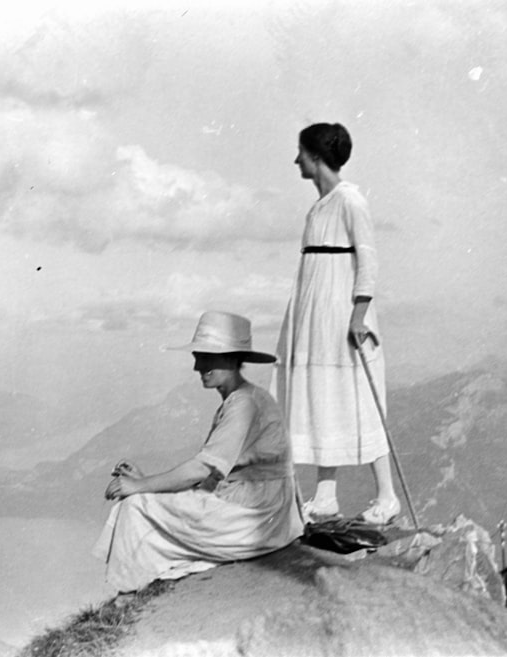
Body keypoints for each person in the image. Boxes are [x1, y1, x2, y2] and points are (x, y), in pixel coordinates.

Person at [92, 311, 303, 594]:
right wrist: (147, 485)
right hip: (266, 511)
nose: (197, 366)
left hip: (256, 517)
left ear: (231, 357)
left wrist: (141, 486)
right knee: (144, 499)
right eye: (198, 356)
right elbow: (213, 471)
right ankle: (133, 586)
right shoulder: (244, 398)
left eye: (206, 356)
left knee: (134, 505)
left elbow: (202, 470)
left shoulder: (244, 405)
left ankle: (127, 593)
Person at [273, 122, 400, 525]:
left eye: (300, 153)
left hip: (341, 316)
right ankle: (325, 495)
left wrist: (359, 316)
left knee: (357, 397)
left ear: (314, 157)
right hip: (313, 317)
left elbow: (369, 260)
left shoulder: (350, 200)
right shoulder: (320, 206)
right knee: (321, 396)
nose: (296, 160)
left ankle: (387, 496)